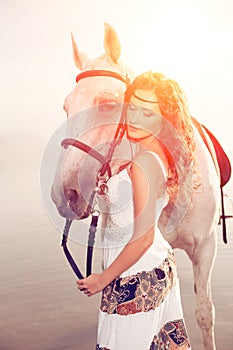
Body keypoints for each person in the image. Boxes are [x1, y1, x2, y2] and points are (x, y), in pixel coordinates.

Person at [77, 71, 192, 349]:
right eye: (133, 108)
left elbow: (143, 237)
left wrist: (102, 280)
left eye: (148, 114)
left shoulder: (142, 163)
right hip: (156, 265)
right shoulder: (155, 154)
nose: (136, 119)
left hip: (134, 274)